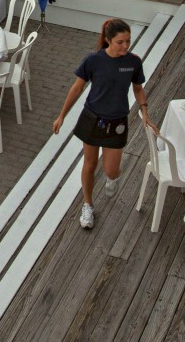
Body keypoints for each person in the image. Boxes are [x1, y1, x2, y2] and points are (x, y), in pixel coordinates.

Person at [53, 17, 156, 230]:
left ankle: (111, 179)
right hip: (92, 119)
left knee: (112, 170)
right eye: (121, 42)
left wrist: (145, 111)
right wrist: (62, 115)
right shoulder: (93, 61)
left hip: (117, 121)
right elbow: (77, 88)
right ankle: (88, 205)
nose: (126, 46)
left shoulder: (133, 62)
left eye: (128, 41)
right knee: (89, 165)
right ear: (108, 40)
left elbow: (137, 88)